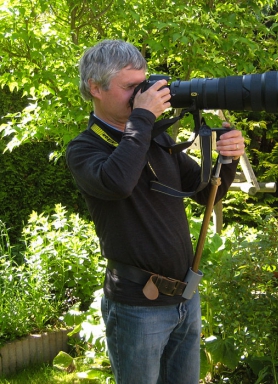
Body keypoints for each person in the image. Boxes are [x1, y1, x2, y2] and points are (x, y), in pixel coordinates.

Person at [66, 39, 245, 384]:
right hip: (136, 307)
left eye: (143, 84)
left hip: (184, 301)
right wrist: (143, 117)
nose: (141, 95)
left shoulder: (155, 138)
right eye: (131, 87)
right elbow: (118, 181)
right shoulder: (83, 149)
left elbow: (207, 192)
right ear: (95, 88)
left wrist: (228, 156)